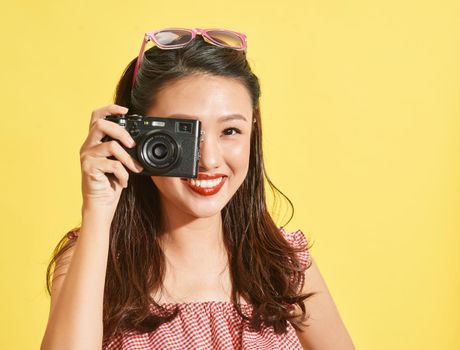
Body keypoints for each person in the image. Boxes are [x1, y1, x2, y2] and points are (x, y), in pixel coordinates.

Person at [40, 28, 355, 350]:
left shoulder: (284, 264)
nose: (209, 159)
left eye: (231, 130)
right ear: (136, 134)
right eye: (185, 133)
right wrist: (97, 208)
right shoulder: (95, 260)